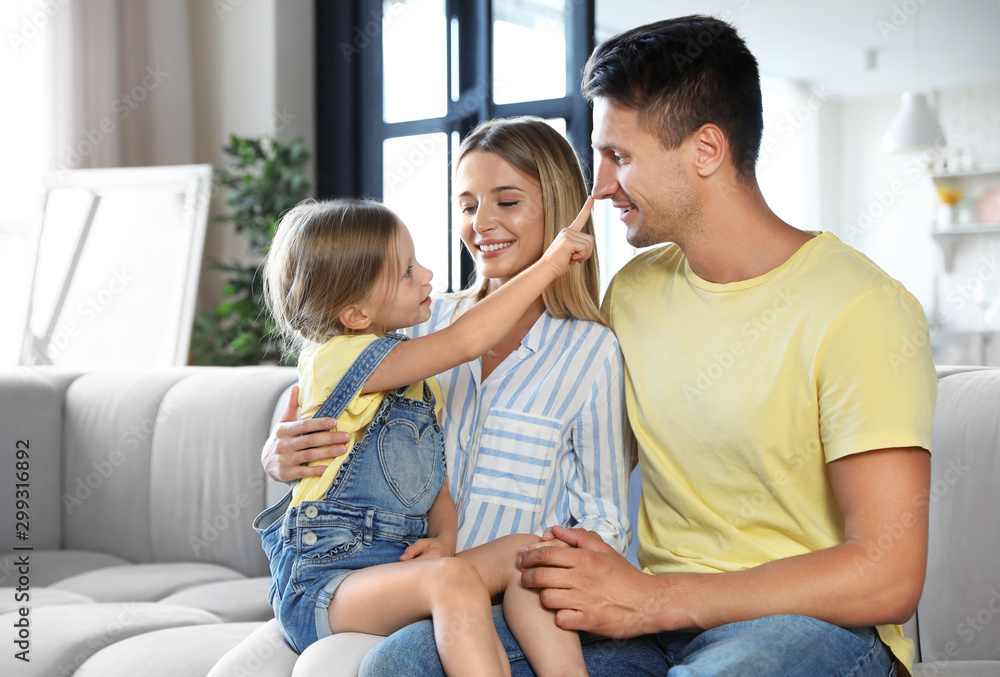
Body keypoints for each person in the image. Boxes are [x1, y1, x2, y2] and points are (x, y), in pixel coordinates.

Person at [361, 15, 936, 677]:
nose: (601, 184)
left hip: (807, 630)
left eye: (621, 157)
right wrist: (320, 425)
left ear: (706, 149)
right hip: (650, 625)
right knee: (403, 662)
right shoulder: (634, 293)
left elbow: (888, 574)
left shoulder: (862, 309)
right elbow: (566, 438)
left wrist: (653, 599)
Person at [255, 117, 632, 675]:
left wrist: (450, 537)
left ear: (557, 209)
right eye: (467, 205)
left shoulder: (592, 352)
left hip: (481, 589)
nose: (482, 223)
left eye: (507, 202)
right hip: (371, 577)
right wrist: (277, 453)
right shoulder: (415, 326)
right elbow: (320, 403)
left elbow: (603, 519)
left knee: (525, 555)